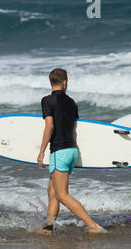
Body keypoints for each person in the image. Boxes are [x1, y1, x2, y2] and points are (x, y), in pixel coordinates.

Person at [37, 68, 105, 234]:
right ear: (65, 82)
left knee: (62, 194)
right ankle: (48, 226)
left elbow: (49, 126)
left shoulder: (47, 100)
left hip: (59, 152)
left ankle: (92, 225)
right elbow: (76, 128)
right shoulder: (72, 102)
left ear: (51, 82)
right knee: (52, 191)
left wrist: (41, 151)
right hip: (71, 151)